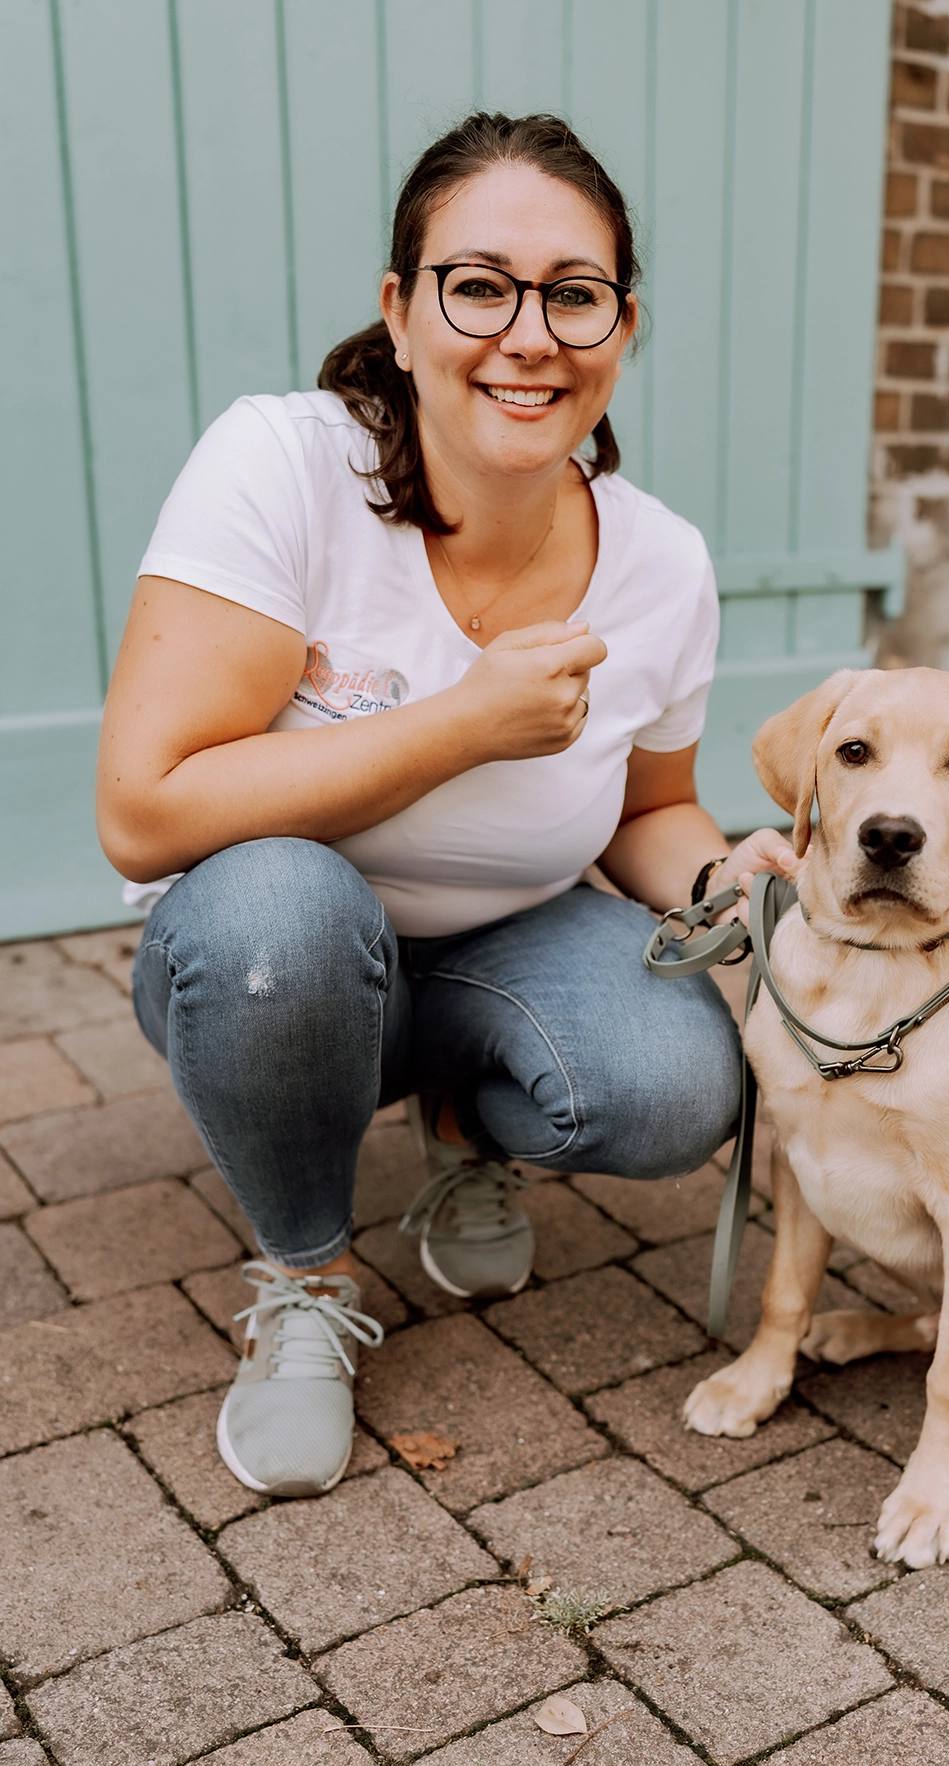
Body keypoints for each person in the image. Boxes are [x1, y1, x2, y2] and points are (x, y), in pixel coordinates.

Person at [97, 111, 796, 1501]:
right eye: (479, 285)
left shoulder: (661, 561)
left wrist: (725, 877)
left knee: (676, 1083)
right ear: (402, 312)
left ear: (622, 325)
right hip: (272, 947)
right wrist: (461, 724)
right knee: (280, 916)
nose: (528, 334)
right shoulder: (285, 468)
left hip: (504, 939)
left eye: (574, 294)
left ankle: (467, 1130)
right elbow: (146, 809)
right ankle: (304, 1271)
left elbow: (646, 806)